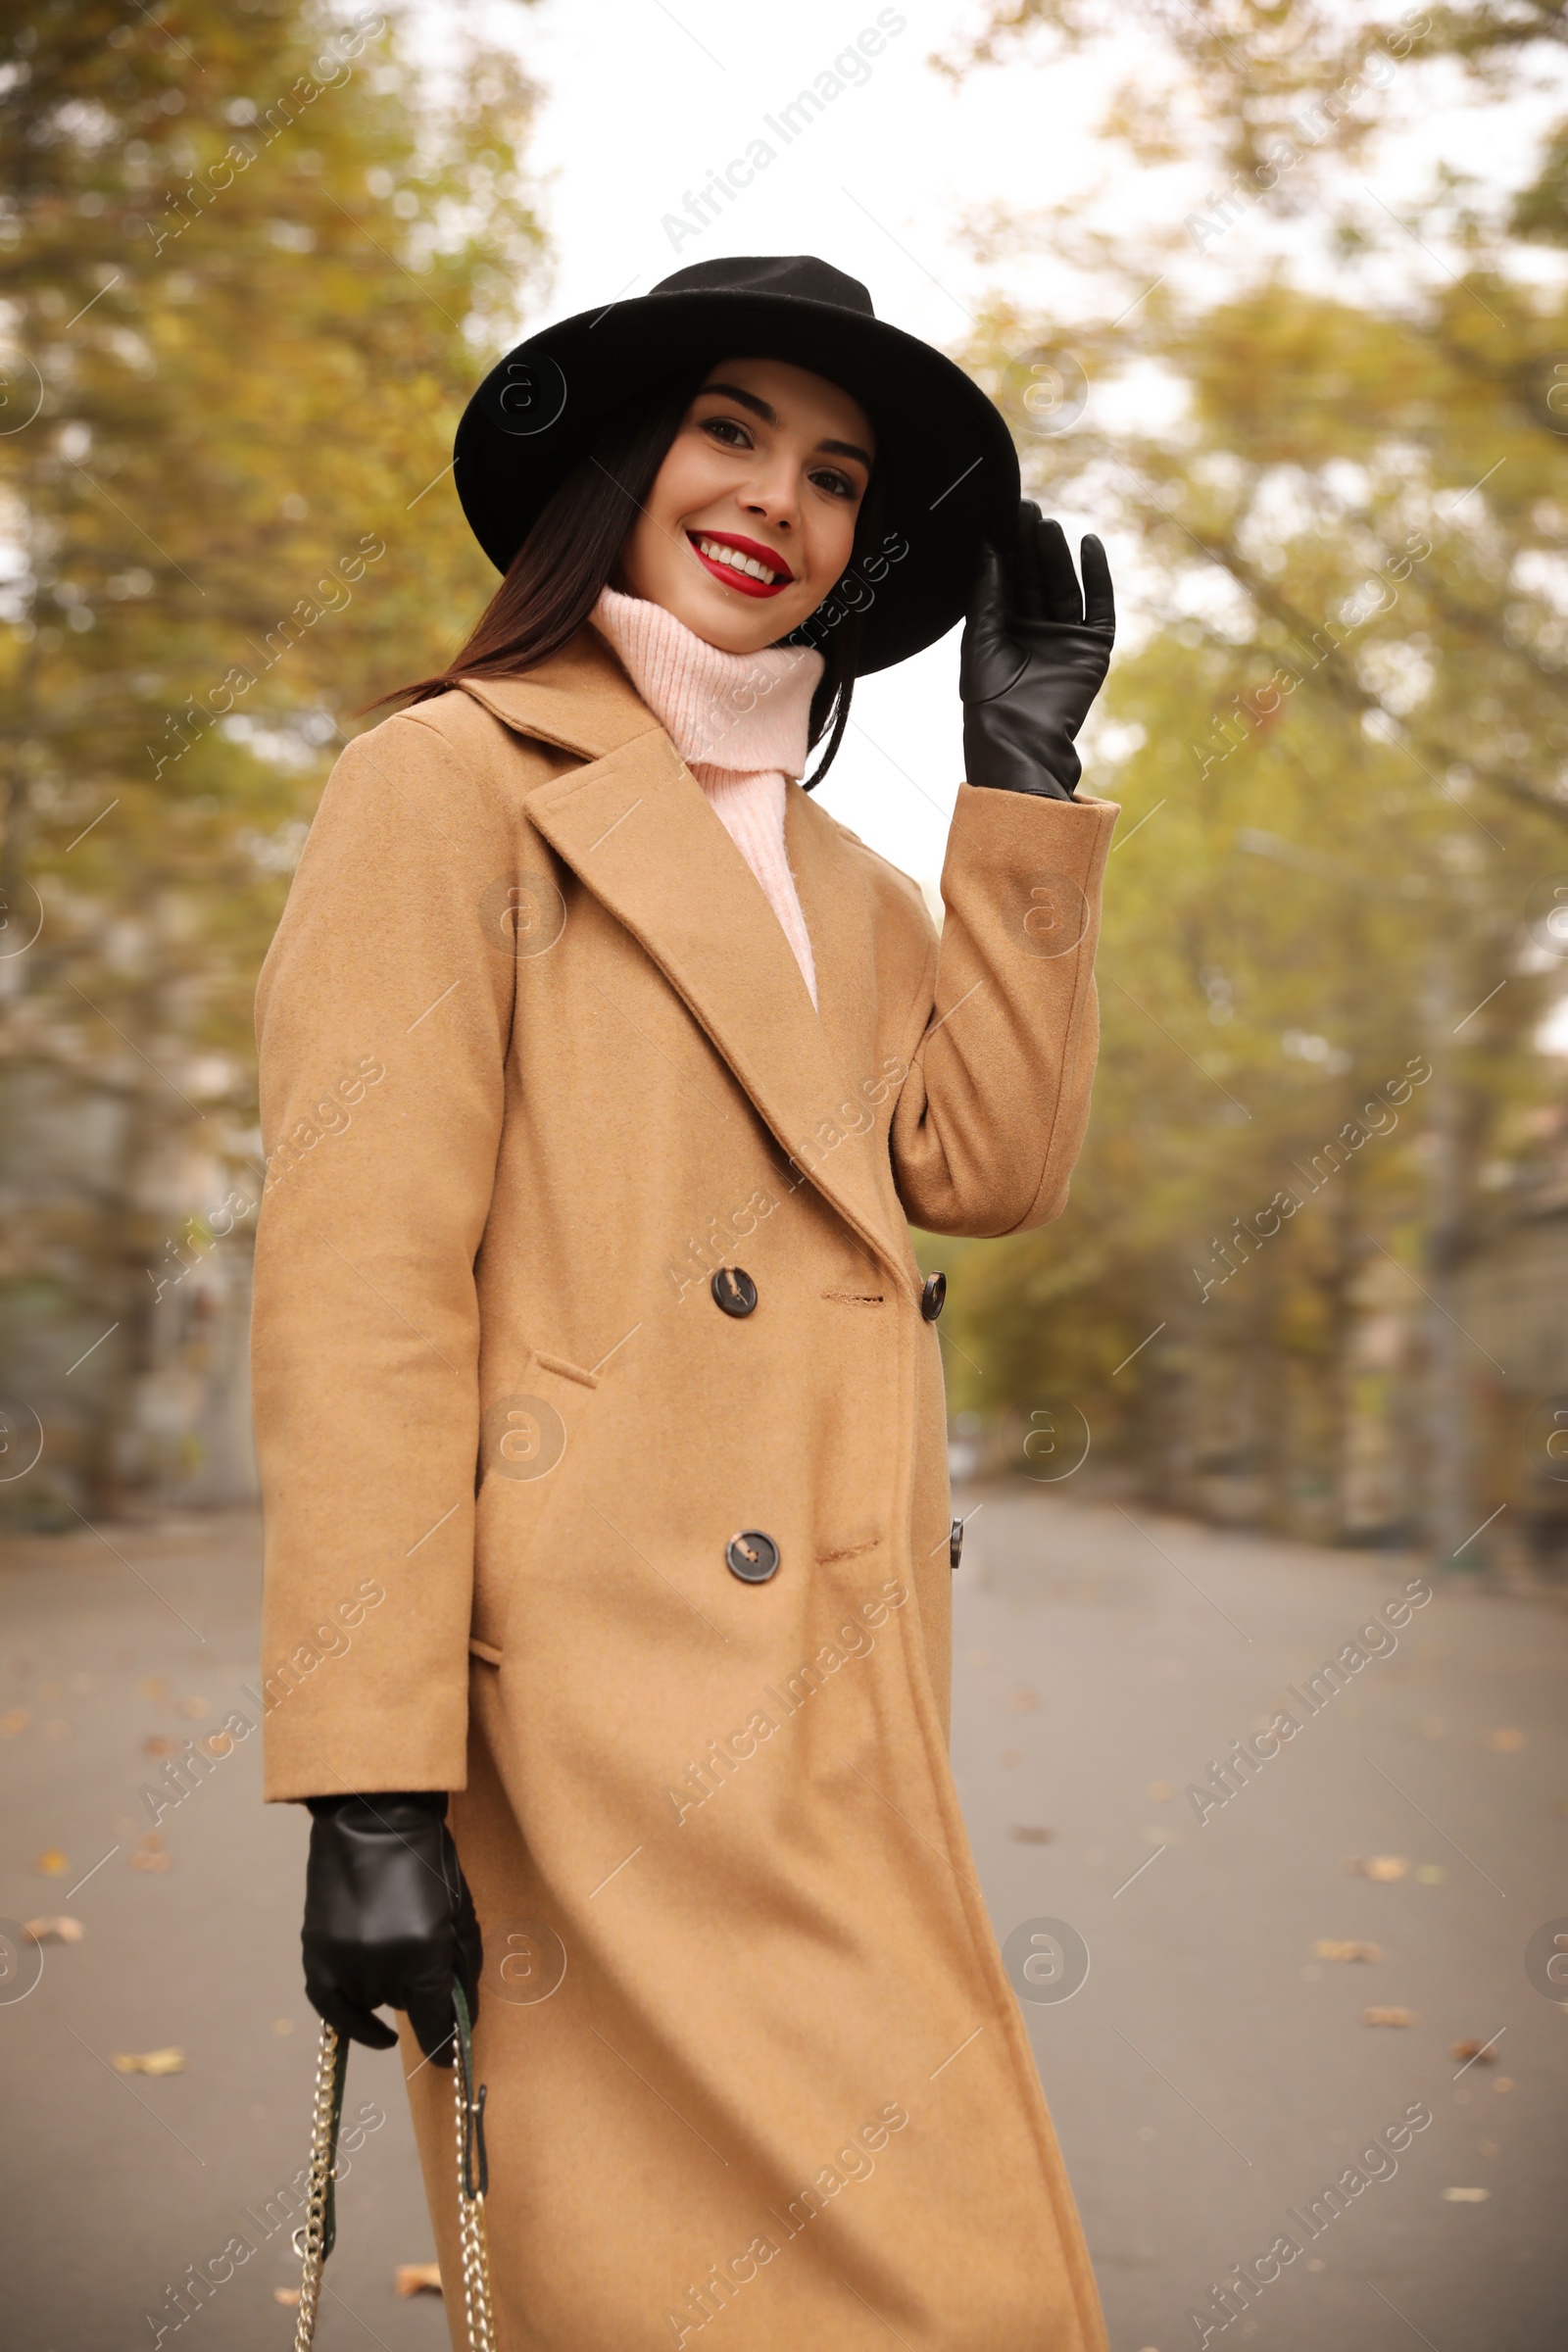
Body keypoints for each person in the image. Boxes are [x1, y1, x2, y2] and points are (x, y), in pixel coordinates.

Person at [252, 254, 1117, 2351]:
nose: (776, 501)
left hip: (843, 1697)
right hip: (592, 1720)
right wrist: (372, 1787)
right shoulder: (447, 786)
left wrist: (1018, 780)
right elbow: (364, 1296)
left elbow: (983, 1172)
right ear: (626, 466)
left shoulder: (851, 887)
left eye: (833, 475)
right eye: (729, 429)